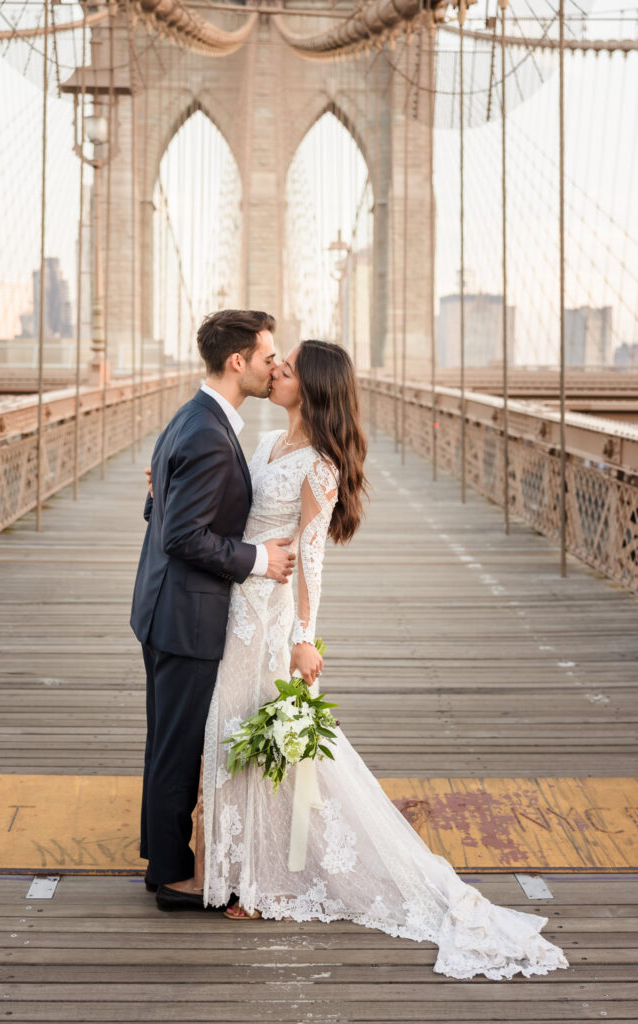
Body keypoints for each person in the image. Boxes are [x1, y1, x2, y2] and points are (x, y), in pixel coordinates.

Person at [198, 338, 569, 981]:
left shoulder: (319, 466)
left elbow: (313, 557)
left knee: (269, 740)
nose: (276, 372)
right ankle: (239, 871)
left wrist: (305, 636)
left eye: (287, 369)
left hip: (271, 618)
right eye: (275, 364)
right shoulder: (265, 445)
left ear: (313, 389)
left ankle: (265, 885)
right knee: (235, 730)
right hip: (238, 605)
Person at [130, 309, 297, 911]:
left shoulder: (193, 417)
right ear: (238, 361)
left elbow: (164, 515)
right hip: (186, 615)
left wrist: (161, 495)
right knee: (178, 748)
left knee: (166, 741)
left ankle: (163, 863)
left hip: (164, 606)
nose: (274, 364)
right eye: (268, 355)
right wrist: (257, 559)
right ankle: (175, 882)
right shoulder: (207, 431)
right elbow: (182, 536)